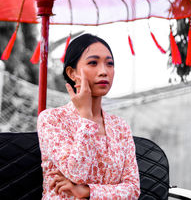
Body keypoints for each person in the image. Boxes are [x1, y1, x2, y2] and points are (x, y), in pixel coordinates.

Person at [37, 33, 140, 199]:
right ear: (72, 73)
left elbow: (132, 189)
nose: (103, 71)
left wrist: (87, 192)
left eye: (110, 64)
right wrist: (86, 116)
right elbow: (77, 173)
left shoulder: (120, 126)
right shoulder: (52, 119)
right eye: (93, 63)